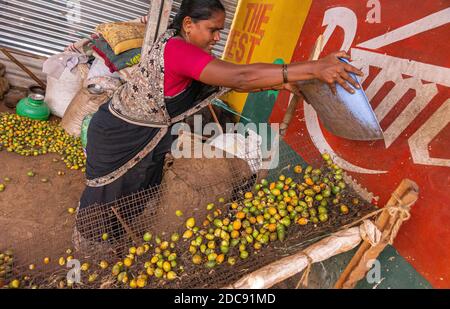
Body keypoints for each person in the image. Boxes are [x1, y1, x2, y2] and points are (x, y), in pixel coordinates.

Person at [75, 0, 363, 244]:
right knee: (108, 195)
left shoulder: (189, 49)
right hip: (121, 136)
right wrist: (313, 67)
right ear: (188, 24)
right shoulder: (178, 50)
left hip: (149, 136)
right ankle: (91, 246)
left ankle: (118, 234)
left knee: (140, 186)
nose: (217, 38)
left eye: (220, 32)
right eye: (213, 30)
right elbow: (240, 76)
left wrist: (281, 83)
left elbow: (235, 81)